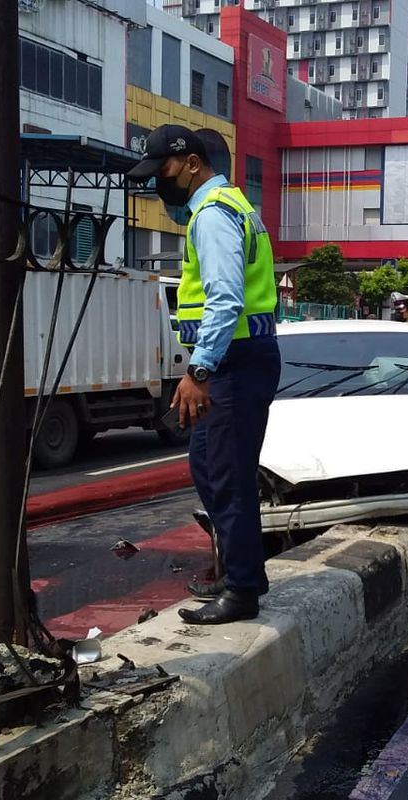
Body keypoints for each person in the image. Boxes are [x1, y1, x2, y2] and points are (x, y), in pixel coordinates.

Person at [129, 124, 280, 625]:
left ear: (192, 163)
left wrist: (199, 368)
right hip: (237, 357)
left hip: (232, 360)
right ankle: (236, 571)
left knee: (228, 476)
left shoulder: (214, 216)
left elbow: (225, 298)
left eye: (163, 171)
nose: (158, 183)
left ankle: (241, 589)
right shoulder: (233, 206)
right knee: (208, 467)